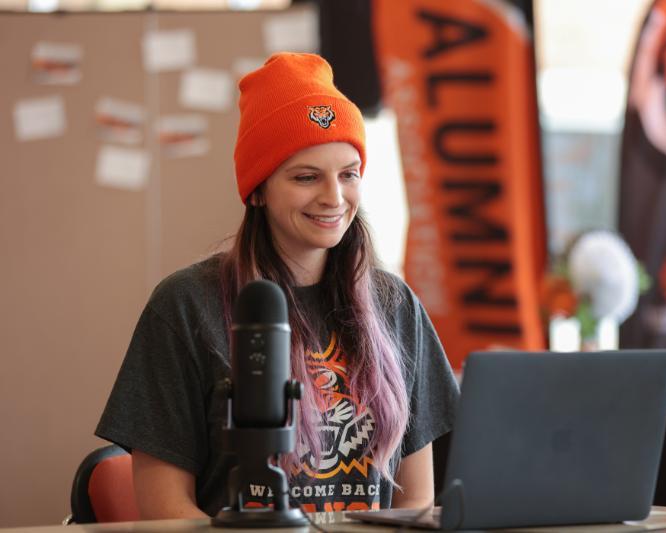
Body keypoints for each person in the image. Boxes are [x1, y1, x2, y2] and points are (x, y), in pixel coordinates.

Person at [96, 52, 460, 519]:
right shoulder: (186, 306)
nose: (333, 197)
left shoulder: (395, 305)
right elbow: (166, 511)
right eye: (307, 177)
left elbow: (415, 501)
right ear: (258, 190)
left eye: (348, 174)